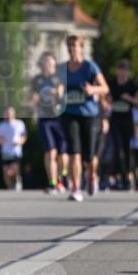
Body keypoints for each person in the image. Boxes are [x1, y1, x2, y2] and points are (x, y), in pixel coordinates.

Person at [59, 34, 109, 200]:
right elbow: (58, 86)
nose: (71, 49)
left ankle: (92, 176)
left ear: (81, 48)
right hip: (69, 114)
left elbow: (105, 88)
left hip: (89, 114)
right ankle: (76, 188)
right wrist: (57, 92)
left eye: (74, 45)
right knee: (74, 152)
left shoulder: (90, 67)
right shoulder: (62, 68)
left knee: (89, 157)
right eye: (69, 46)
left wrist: (92, 90)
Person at [30, 51, 67, 194]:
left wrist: (56, 93)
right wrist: (33, 100)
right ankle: (52, 183)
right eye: (45, 61)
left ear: (54, 64)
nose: (48, 64)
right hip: (44, 119)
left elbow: (61, 92)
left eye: (50, 62)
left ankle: (62, 177)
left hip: (59, 118)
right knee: (50, 151)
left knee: (62, 153)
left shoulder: (59, 77)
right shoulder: (37, 80)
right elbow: (31, 97)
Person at [107, 60, 138, 190]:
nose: (122, 73)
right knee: (117, 149)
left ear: (128, 72)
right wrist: (107, 102)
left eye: (125, 70)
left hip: (127, 122)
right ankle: (117, 178)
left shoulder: (132, 86)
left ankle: (127, 178)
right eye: (120, 70)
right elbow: (104, 98)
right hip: (114, 121)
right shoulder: (112, 84)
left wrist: (129, 98)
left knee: (126, 150)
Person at [0, 106, 27, 190]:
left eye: (10, 113)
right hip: (5, 151)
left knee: (15, 168)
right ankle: (10, 188)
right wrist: (0, 141)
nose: (8, 114)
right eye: (7, 113)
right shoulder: (1, 125)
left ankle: (18, 181)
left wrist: (20, 142)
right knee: (6, 171)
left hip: (16, 151)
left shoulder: (19, 124)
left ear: (14, 114)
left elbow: (24, 136)